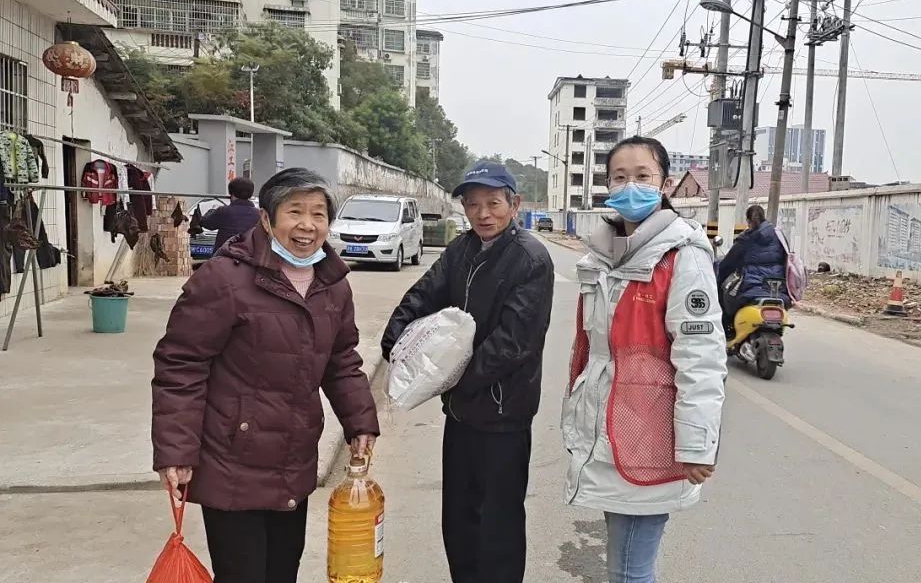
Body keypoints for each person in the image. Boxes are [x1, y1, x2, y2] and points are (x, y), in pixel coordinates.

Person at [151, 168, 380, 583]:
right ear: (267, 218)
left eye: (318, 214)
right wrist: (176, 449)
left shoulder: (332, 283)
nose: (307, 225)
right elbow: (180, 365)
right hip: (230, 456)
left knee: (281, 571)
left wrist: (360, 420)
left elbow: (342, 360)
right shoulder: (225, 279)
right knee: (243, 574)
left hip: (292, 456)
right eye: (295, 212)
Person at [381, 161, 554, 583]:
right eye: (473, 204)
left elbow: (512, 344)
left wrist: (451, 380)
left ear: (514, 205)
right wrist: (395, 340)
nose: (483, 213)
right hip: (460, 413)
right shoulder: (462, 249)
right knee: (458, 516)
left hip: (503, 415)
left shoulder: (530, 259)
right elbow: (424, 293)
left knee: (498, 522)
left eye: (493, 203)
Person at [564, 136, 726, 583]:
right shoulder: (602, 255)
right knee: (624, 562)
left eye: (643, 176)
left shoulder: (683, 257)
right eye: (620, 177)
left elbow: (702, 358)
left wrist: (697, 445)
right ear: (607, 186)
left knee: (631, 570)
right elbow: (592, 353)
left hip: (653, 435)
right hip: (612, 430)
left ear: (665, 184)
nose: (630, 185)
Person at [717, 204, 791, 334]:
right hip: (778, 289)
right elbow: (787, 259)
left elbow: (727, 264)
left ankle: (727, 332)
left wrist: (718, 279)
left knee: (725, 299)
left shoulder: (746, 239)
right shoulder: (779, 236)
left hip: (751, 289)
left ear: (748, 221)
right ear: (764, 218)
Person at [200, 177, 262, 253]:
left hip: (224, 256)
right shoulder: (258, 214)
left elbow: (207, 224)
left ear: (231, 193)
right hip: (248, 257)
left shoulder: (224, 211)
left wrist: (210, 211)